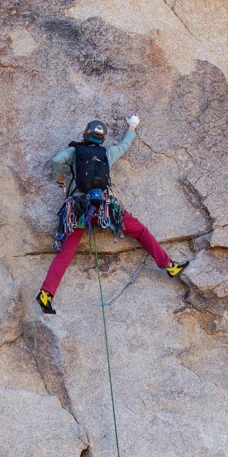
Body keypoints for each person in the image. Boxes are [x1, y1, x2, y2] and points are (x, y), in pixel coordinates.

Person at [36, 115, 188, 314]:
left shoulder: (74, 151)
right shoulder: (107, 153)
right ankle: (168, 265)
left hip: (79, 209)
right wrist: (133, 125)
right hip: (104, 209)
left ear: (86, 134)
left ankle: (46, 293)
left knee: (67, 251)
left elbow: (57, 160)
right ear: (103, 138)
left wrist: (60, 180)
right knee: (140, 231)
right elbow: (125, 145)